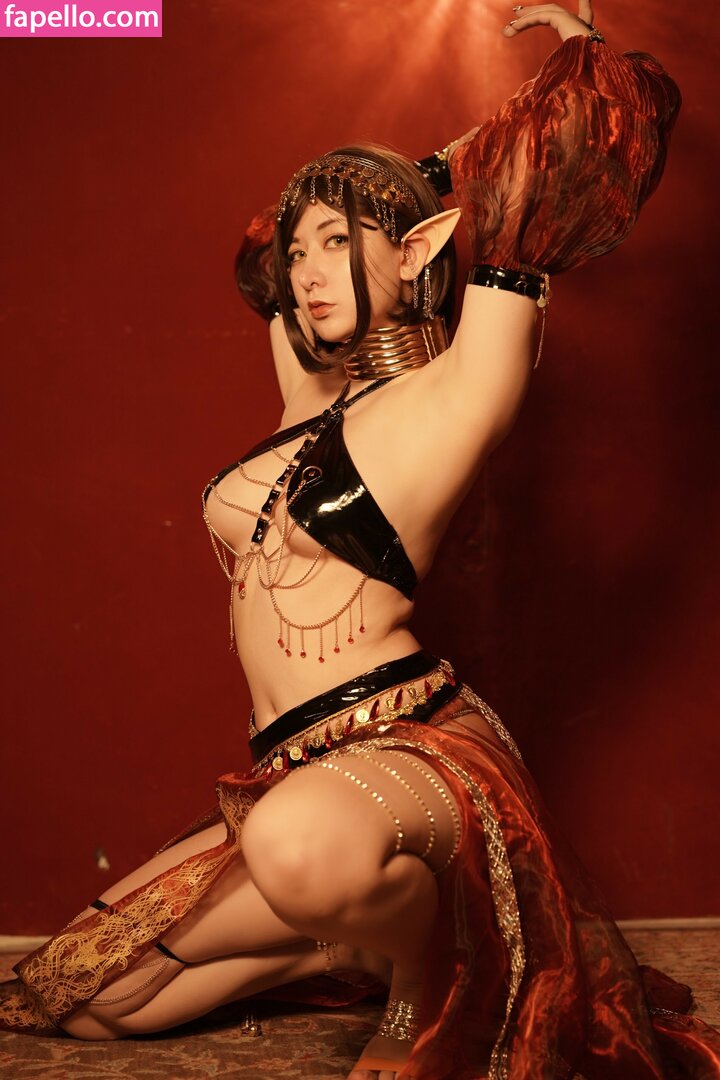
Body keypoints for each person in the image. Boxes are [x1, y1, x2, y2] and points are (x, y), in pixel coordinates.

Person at [2, 4, 717, 1078]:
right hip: (298, 771)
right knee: (86, 998)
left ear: (420, 248)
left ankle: (422, 976)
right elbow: (258, 251)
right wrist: (388, 186)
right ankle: (347, 938)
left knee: (291, 846)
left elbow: (565, 163)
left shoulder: (455, 398)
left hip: (410, 750)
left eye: (339, 244)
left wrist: (580, 57)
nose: (307, 269)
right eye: (307, 251)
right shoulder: (309, 395)